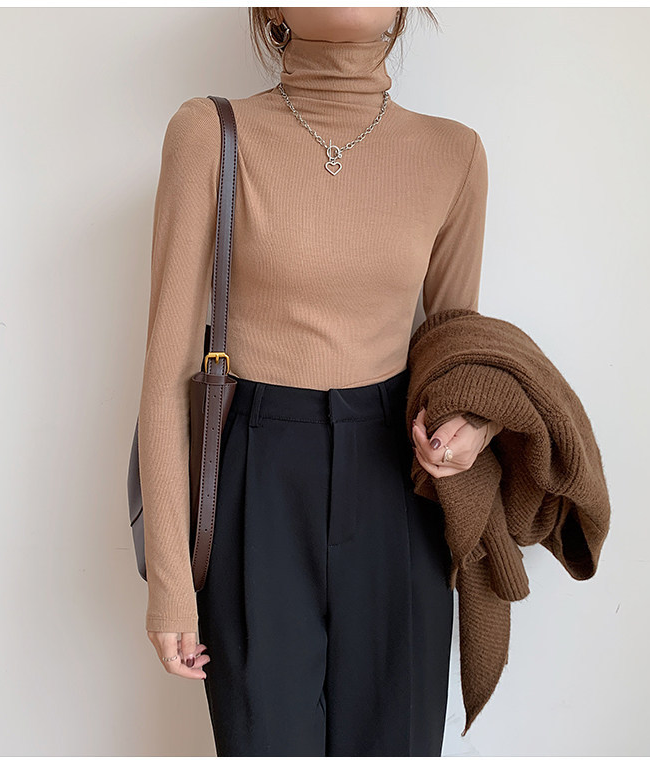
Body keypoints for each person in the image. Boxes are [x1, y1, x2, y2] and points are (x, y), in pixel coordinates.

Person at [137, 6, 502, 756]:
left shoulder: (454, 153)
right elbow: (168, 371)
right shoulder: (209, 134)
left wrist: (477, 423)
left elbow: (455, 352)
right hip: (255, 477)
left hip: (400, 483)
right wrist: (170, 580)